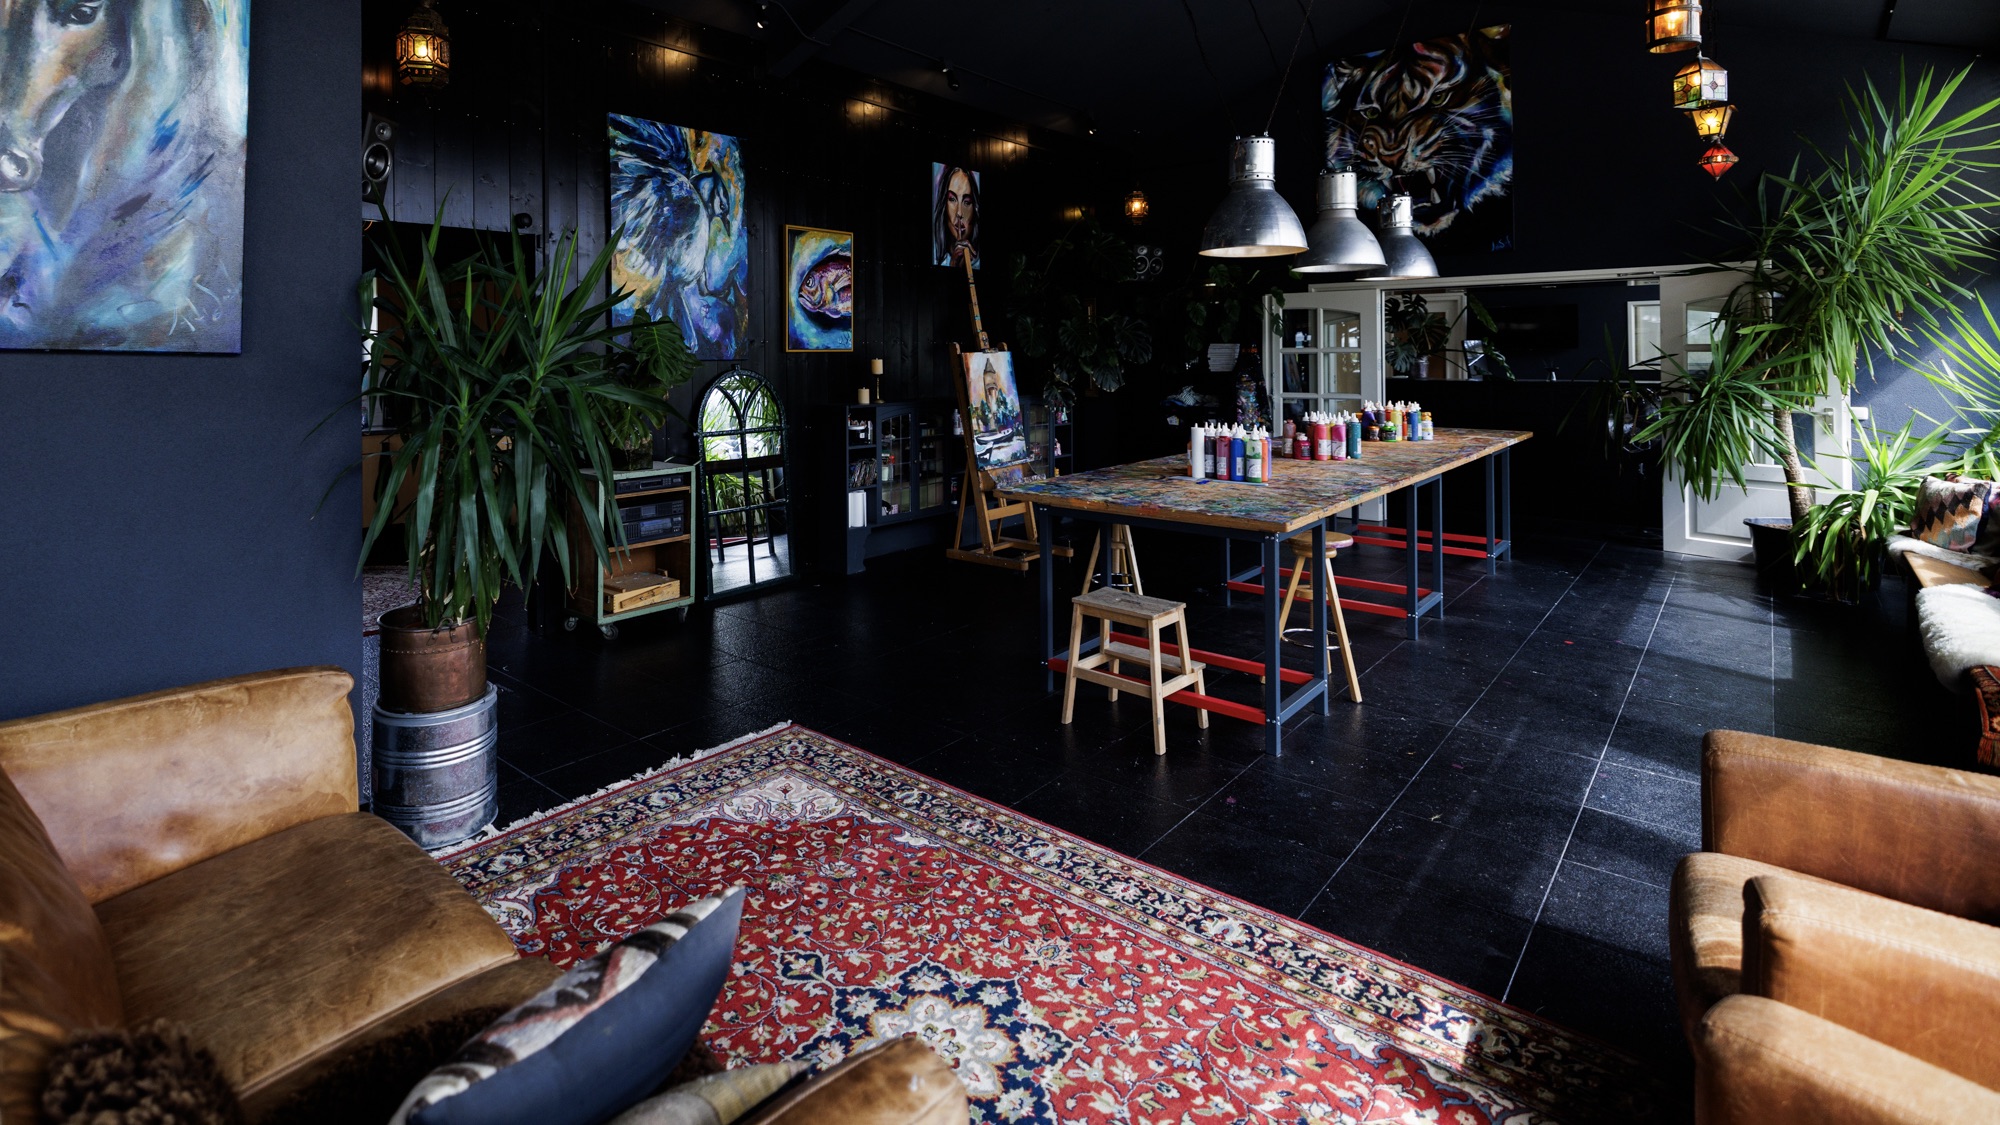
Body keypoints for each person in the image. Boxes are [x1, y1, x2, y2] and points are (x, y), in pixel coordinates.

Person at [931, 164, 979, 268]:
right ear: (944, 205)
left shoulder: (978, 262)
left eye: (967, 202)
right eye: (952, 199)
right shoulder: (937, 259)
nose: (959, 213)